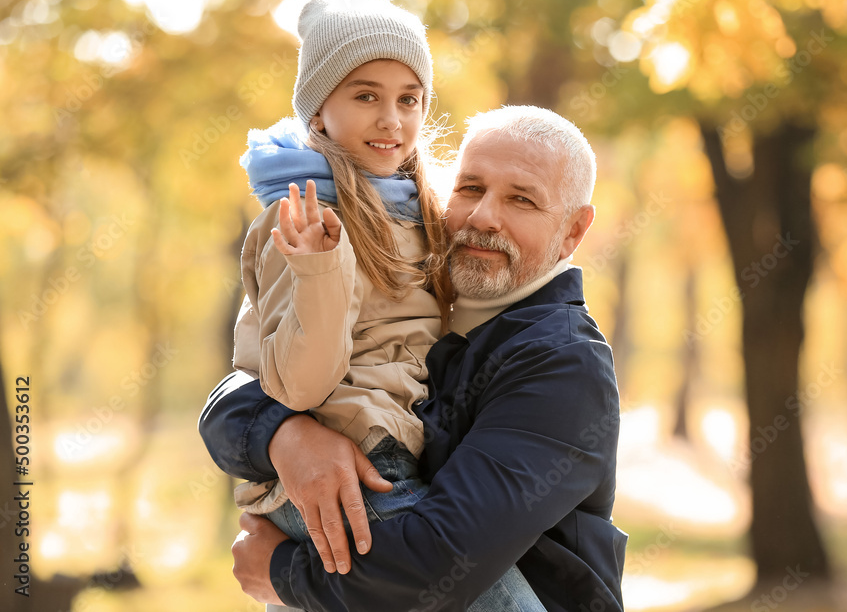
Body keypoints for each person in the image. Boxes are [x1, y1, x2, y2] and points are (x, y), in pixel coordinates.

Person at [201, 105, 628, 611]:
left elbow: (442, 559)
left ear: (574, 231)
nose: (483, 216)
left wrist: (283, 574)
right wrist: (287, 436)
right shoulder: (415, 302)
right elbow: (244, 388)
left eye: (522, 199)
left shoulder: (562, 363)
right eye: (470, 188)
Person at [229, 0, 541, 611]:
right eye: (365, 95)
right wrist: (318, 269)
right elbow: (299, 387)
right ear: (319, 109)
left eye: (409, 99)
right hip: (351, 468)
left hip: (398, 452)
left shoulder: (414, 210)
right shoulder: (303, 219)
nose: (391, 120)